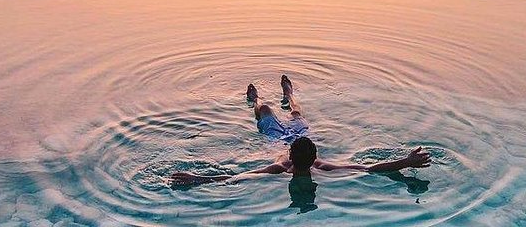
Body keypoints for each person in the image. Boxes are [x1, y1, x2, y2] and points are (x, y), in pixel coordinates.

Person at [170, 75, 431, 189]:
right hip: (294, 136)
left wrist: (196, 178)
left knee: (269, 112)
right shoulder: (323, 166)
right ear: (314, 152)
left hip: (278, 139)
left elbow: (234, 177)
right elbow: (370, 168)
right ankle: (287, 94)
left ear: (291, 156)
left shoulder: (280, 167)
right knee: (295, 115)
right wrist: (406, 161)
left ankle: (258, 100)